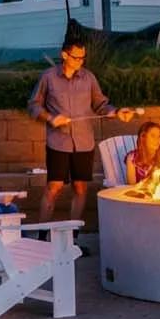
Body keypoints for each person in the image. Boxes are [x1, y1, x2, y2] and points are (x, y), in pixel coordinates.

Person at [26, 38, 134, 221]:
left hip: (84, 143)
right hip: (58, 143)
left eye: (83, 58)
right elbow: (33, 105)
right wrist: (51, 118)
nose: (80, 62)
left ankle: (73, 238)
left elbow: (101, 105)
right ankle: (43, 238)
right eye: (76, 58)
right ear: (64, 55)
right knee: (54, 187)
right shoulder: (48, 77)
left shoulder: (89, 78)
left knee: (80, 188)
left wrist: (116, 112)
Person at [127, 120, 160, 192]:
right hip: (138, 197)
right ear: (143, 137)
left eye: (159, 136)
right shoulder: (132, 158)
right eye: (153, 136)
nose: (157, 140)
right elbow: (131, 185)